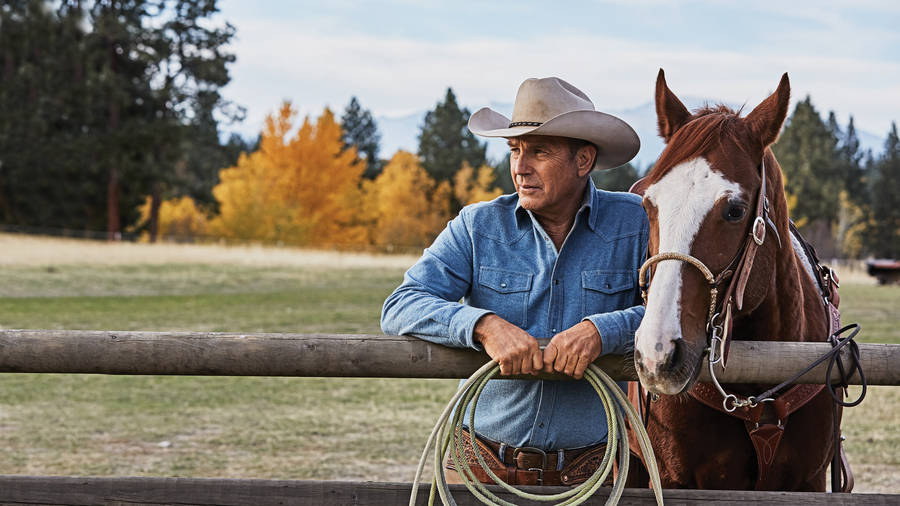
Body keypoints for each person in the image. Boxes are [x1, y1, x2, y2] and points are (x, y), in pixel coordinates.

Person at [381, 77, 648, 487]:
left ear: (583, 160)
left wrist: (604, 330)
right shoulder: (477, 226)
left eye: (539, 151)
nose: (520, 167)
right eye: (514, 150)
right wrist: (484, 326)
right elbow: (401, 304)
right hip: (479, 465)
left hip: (591, 472)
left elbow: (680, 313)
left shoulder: (637, 224)